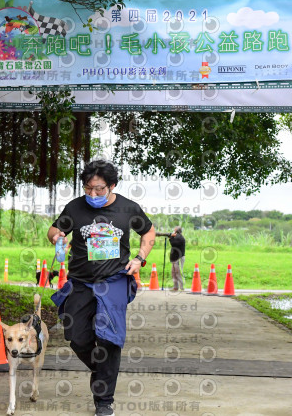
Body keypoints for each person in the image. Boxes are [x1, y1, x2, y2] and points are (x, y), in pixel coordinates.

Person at [48, 160, 155, 416]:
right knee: (77, 336)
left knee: (109, 339)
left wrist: (139, 259)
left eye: (99, 189)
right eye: (88, 188)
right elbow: (54, 229)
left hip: (114, 280)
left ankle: (104, 400)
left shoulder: (128, 208)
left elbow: (149, 234)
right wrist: (56, 237)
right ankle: (101, 370)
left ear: (112, 186)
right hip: (81, 282)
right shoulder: (75, 207)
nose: (92, 194)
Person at [169, 226, 186, 291]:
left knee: (178, 272)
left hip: (178, 258)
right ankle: (175, 287)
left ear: (176, 231)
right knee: (173, 273)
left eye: (174, 230)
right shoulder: (177, 237)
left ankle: (181, 287)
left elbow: (173, 244)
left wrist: (171, 237)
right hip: (175, 258)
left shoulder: (179, 237)